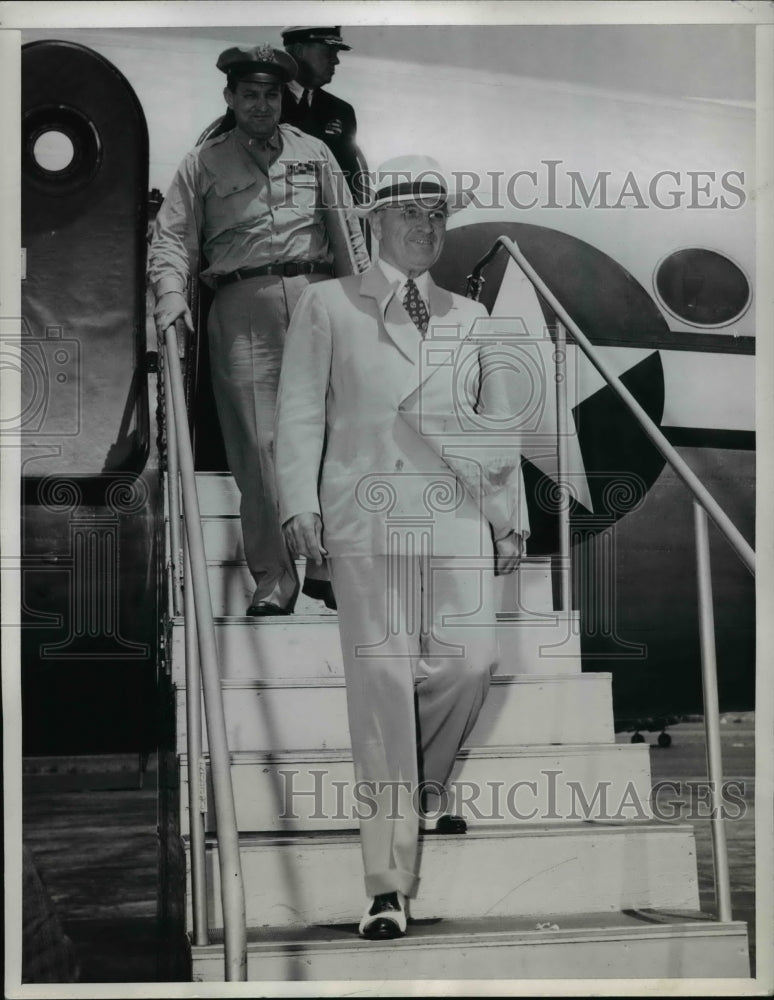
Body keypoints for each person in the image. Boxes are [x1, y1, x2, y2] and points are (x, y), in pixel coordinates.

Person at [274, 156, 529, 939]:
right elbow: (298, 412)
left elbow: (498, 430)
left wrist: (508, 519)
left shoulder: (472, 317)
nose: (426, 228)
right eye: (410, 213)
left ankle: (417, 787)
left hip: (456, 519)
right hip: (364, 519)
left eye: (436, 215)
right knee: (384, 688)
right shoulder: (326, 305)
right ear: (374, 223)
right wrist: (297, 504)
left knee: (470, 664)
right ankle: (388, 886)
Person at [149, 44, 369, 616]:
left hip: (317, 299)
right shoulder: (202, 163)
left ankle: (326, 565)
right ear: (230, 97)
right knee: (258, 444)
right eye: (250, 94)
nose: (261, 104)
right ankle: (276, 575)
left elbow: (347, 235)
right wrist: (170, 295)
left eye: (271, 94)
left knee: (332, 432)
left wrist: (365, 306)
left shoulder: (315, 152)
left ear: (282, 99)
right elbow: (171, 238)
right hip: (242, 305)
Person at [198, 27, 367, 203]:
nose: (336, 60)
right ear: (300, 51)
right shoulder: (259, 105)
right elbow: (217, 160)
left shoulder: (342, 111)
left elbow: (351, 182)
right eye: (328, 52)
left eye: (336, 53)